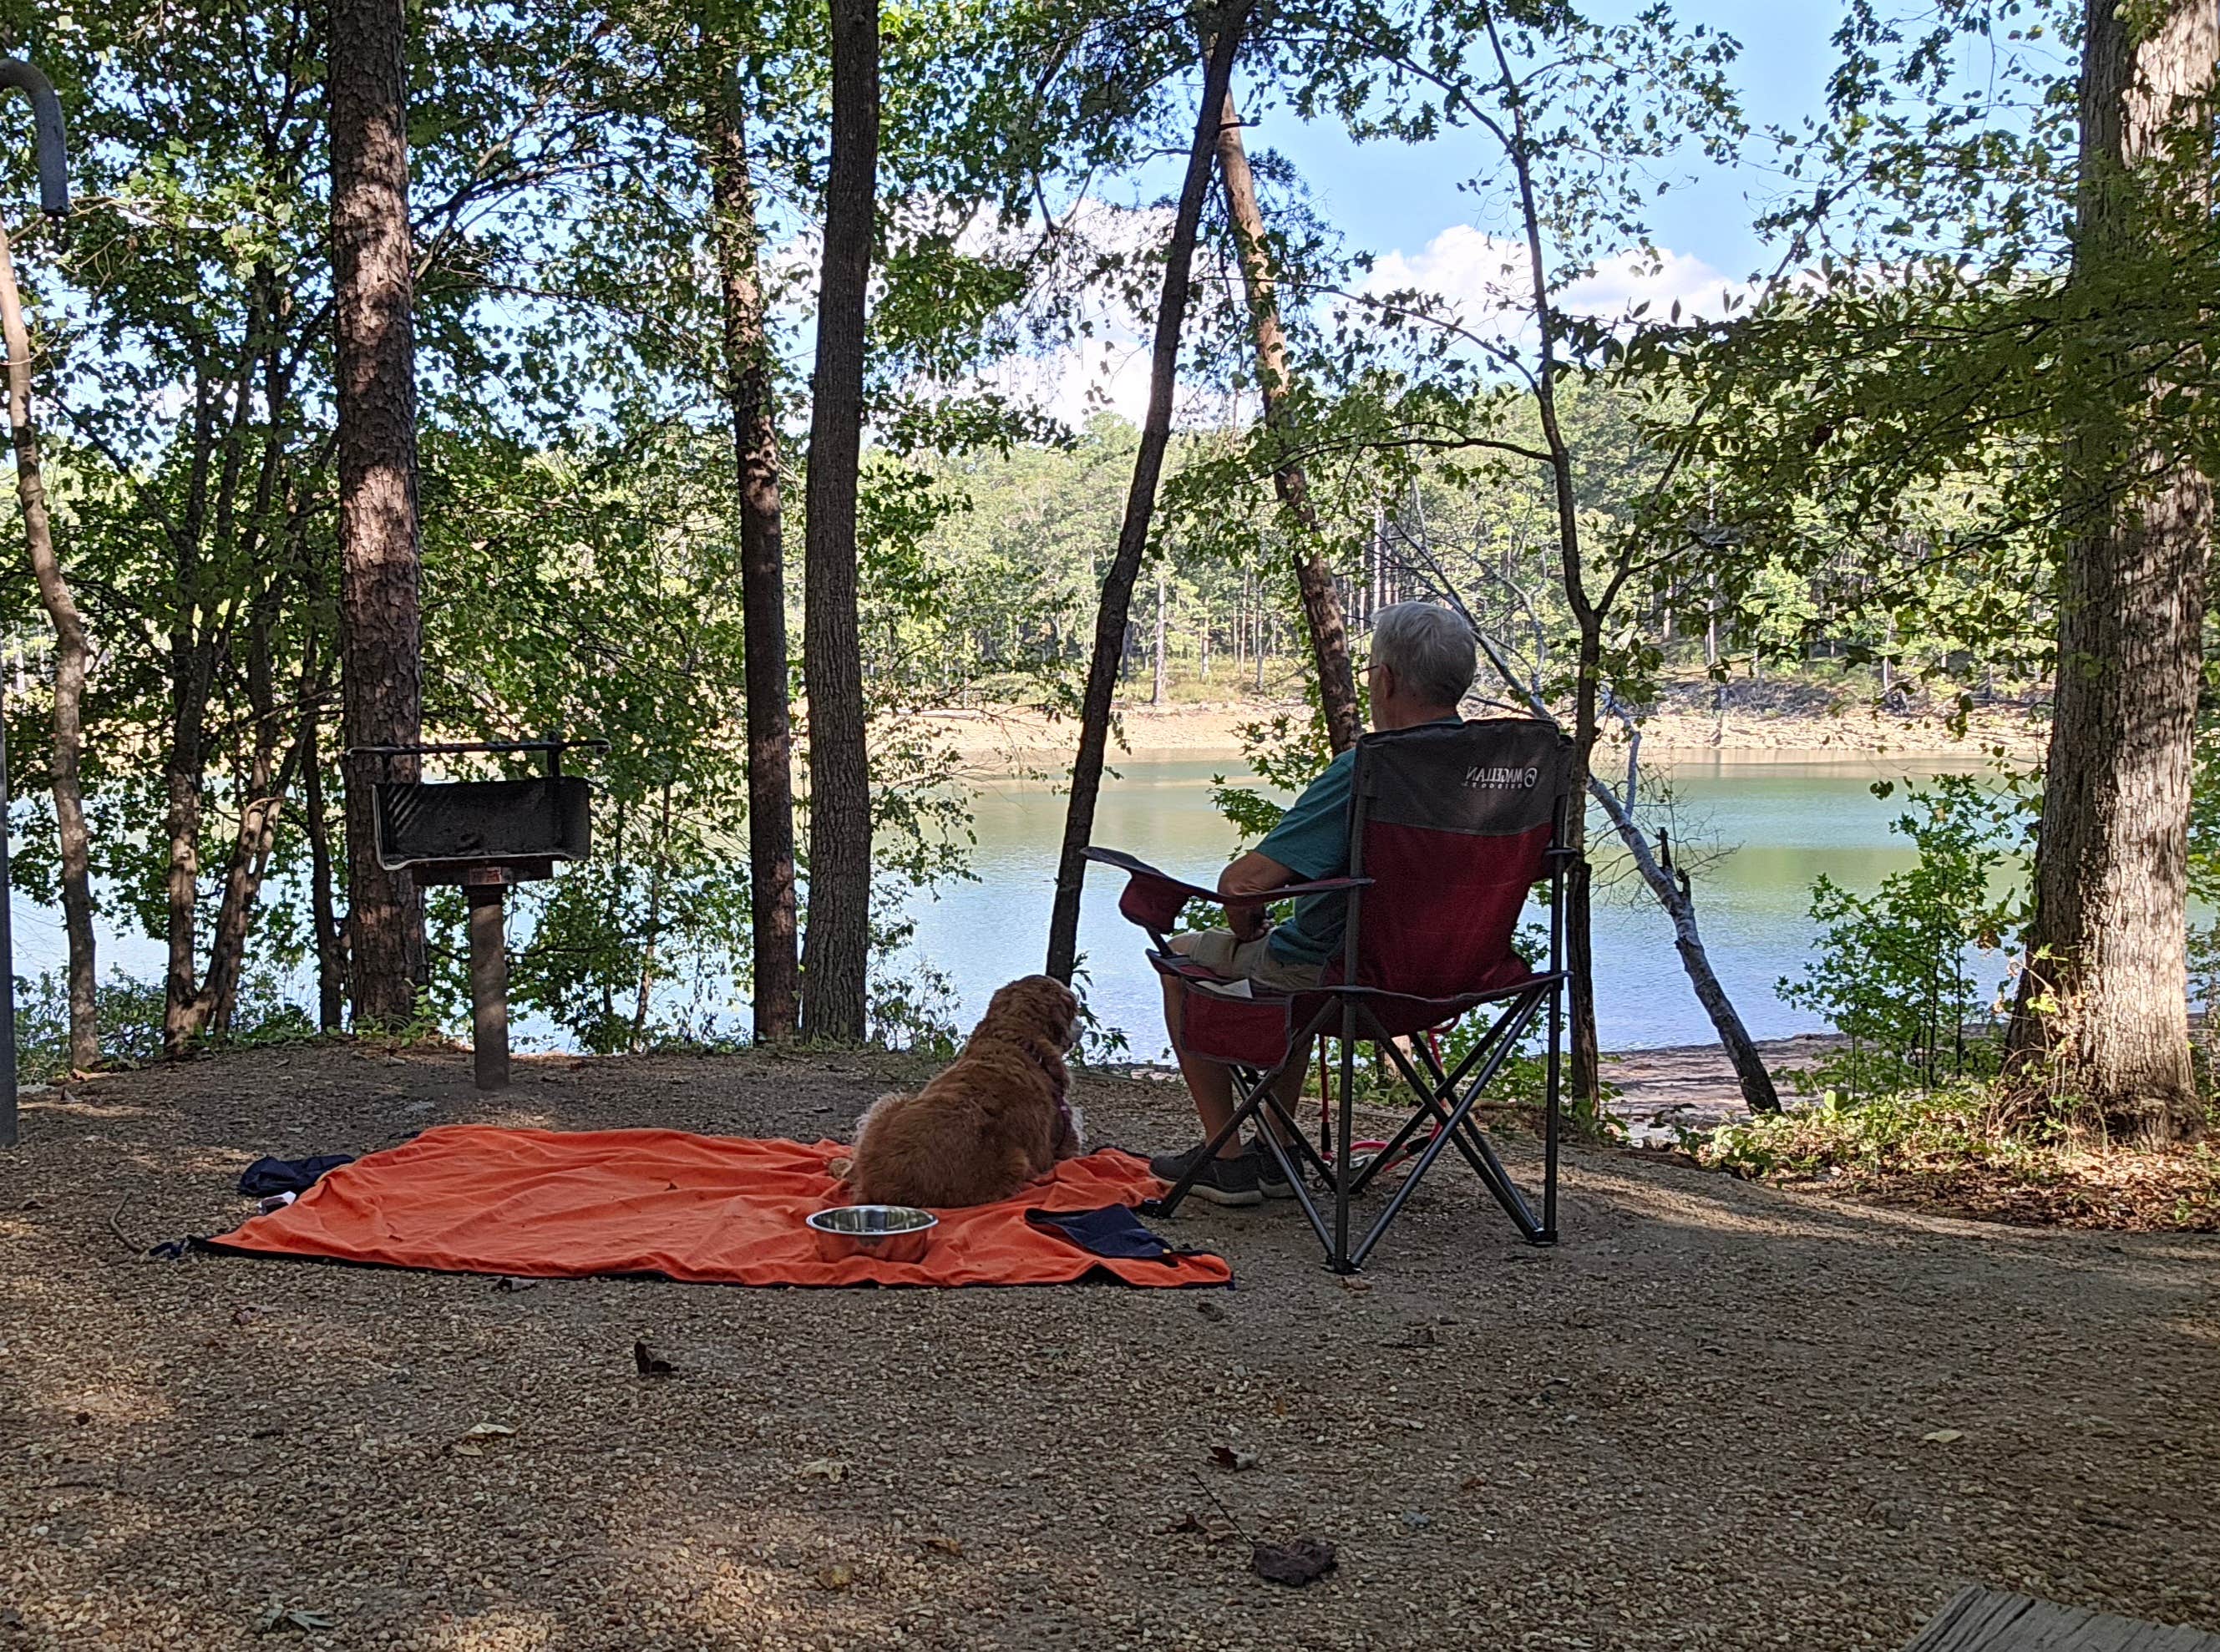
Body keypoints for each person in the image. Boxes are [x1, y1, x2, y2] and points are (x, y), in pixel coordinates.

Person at [1148, 601, 1478, 1204]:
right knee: (1290, 963)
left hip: (1346, 981)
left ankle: (1227, 1159)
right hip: (1463, 975)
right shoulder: (1500, 770)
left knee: (1183, 959)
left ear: (1385, 680)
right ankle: (1277, 1152)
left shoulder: (1373, 769)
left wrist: (1244, 925)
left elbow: (1244, 884)